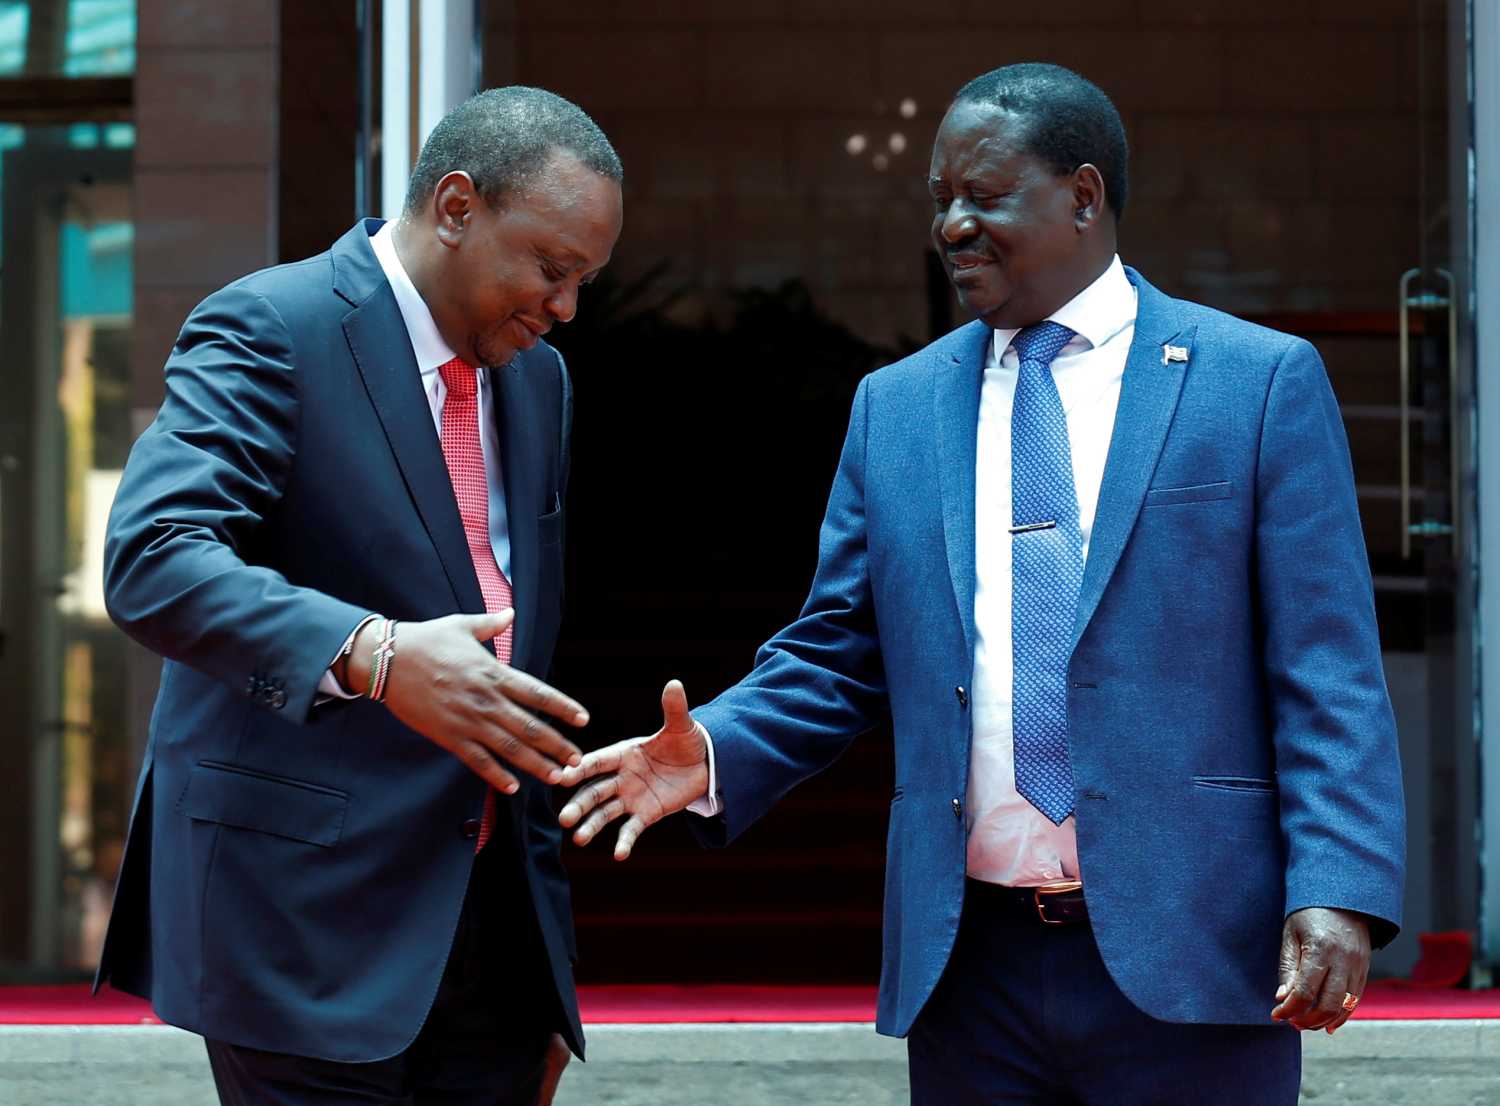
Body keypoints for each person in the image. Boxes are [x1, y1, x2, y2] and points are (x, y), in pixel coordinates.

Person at [556, 63, 1405, 1105]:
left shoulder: (1255, 381)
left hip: (1195, 950)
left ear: (1083, 195)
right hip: (974, 973)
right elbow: (837, 652)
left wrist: (1338, 886)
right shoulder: (898, 407)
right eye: (939, 198)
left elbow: (1328, 666)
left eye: (983, 193)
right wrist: (718, 748)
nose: (952, 223)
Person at [95, 86, 623, 1106]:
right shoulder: (272, 326)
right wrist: (373, 652)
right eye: (552, 268)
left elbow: (514, 675)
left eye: (584, 280)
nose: (565, 306)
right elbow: (153, 554)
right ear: (457, 205)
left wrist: (541, 979)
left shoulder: (540, 379)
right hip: (300, 929)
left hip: (486, 952)